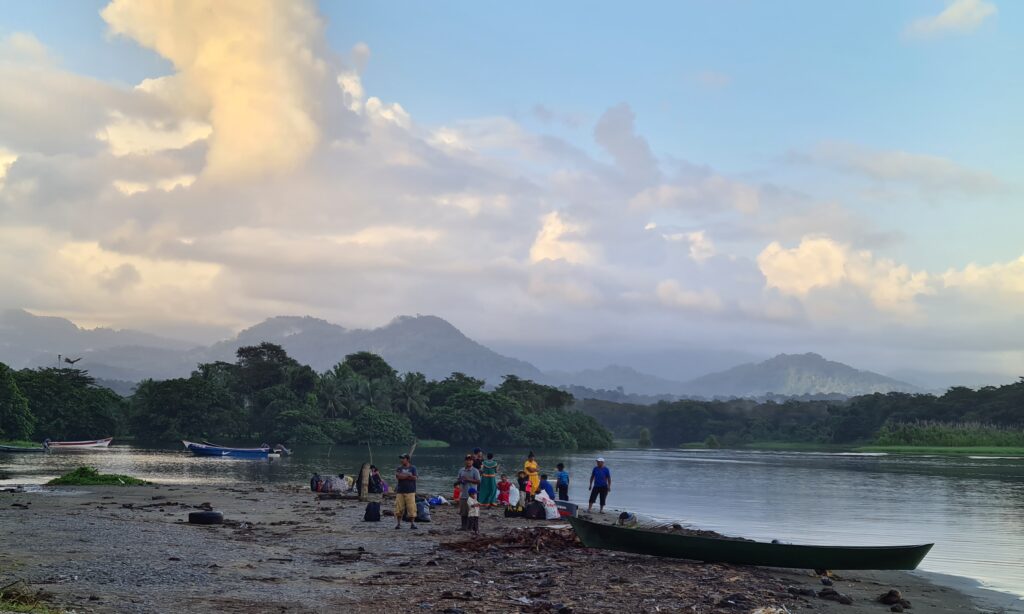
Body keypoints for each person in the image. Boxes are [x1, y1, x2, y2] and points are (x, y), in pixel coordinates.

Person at [456, 454, 481, 530]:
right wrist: (461, 480)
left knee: (472, 512)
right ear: (465, 461)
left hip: (472, 495)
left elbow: (478, 481)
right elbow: (458, 480)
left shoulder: (475, 471)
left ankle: (472, 527)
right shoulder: (461, 470)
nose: (468, 461)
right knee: (463, 512)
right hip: (463, 494)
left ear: (472, 461)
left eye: (470, 460)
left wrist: (468, 479)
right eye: (467, 460)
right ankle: (463, 527)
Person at [394, 454, 418, 530]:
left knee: (411, 508)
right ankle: (398, 524)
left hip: (410, 491)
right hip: (400, 491)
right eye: (401, 458)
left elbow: (415, 478)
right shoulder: (399, 468)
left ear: (407, 459)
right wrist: (408, 476)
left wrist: (404, 476)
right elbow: (398, 477)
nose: (401, 460)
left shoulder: (413, 468)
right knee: (399, 508)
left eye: (403, 458)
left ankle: (412, 524)